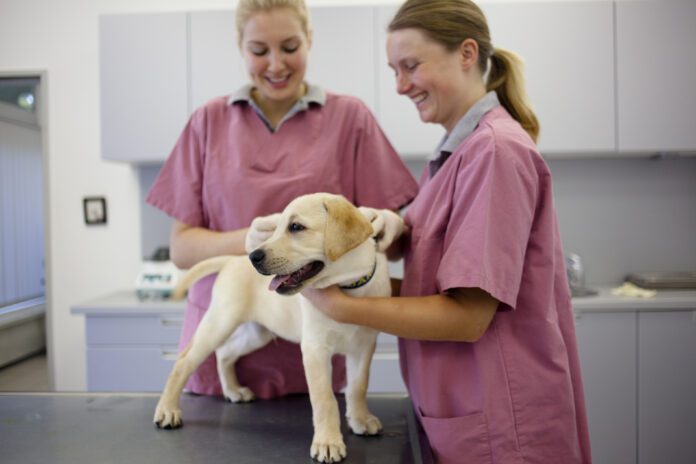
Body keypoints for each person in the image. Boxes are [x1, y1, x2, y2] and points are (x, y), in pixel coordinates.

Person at [301, 0, 592, 462]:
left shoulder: (495, 152)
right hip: (461, 409)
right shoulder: (453, 154)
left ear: (467, 54)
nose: (400, 86)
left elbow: (467, 316)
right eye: (393, 70)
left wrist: (339, 305)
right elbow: (427, 276)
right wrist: (389, 235)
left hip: (501, 424)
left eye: (411, 66)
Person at [146, 0, 418, 399]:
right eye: (259, 51)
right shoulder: (208, 121)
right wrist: (258, 244)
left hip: (320, 346)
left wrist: (390, 227)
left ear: (310, 40)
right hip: (227, 341)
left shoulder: (350, 119)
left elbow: (389, 250)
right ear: (240, 46)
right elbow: (182, 249)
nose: (275, 65)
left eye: (290, 47)